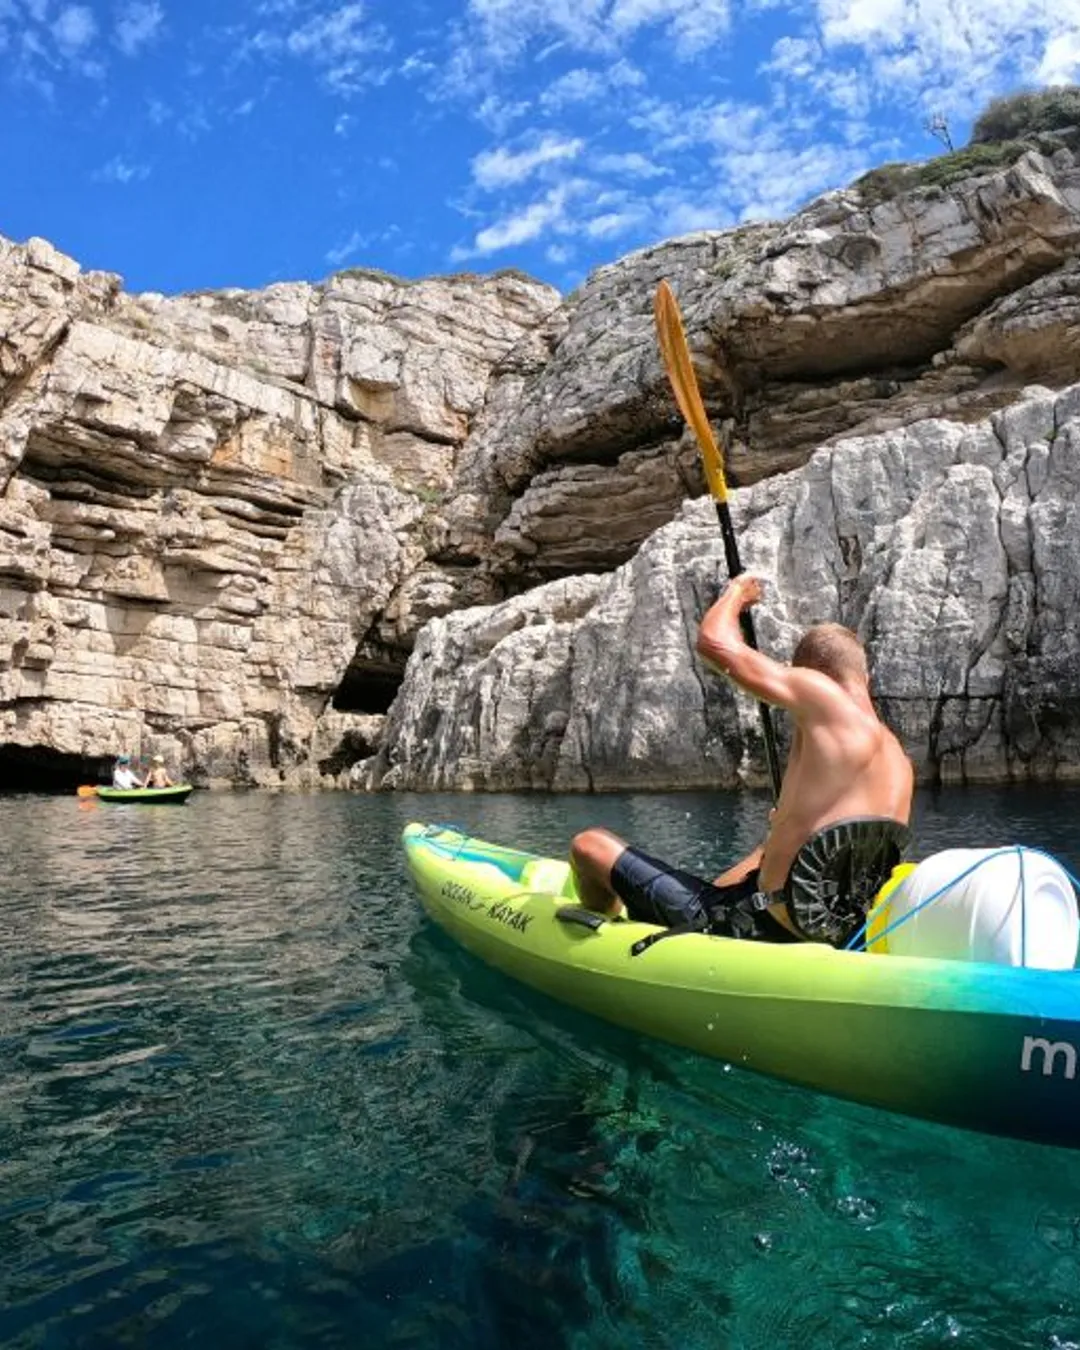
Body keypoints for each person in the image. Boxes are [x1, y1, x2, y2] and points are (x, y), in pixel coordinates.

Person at [569, 574, 915, 947]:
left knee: (588, 846)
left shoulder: (823, 695)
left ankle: (602, 943)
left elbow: (713, 643)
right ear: (866, 676)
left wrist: (737, 593)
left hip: (762, 928)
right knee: (759, 854)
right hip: (838, 928)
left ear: (811, 676)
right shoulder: (898, 761)